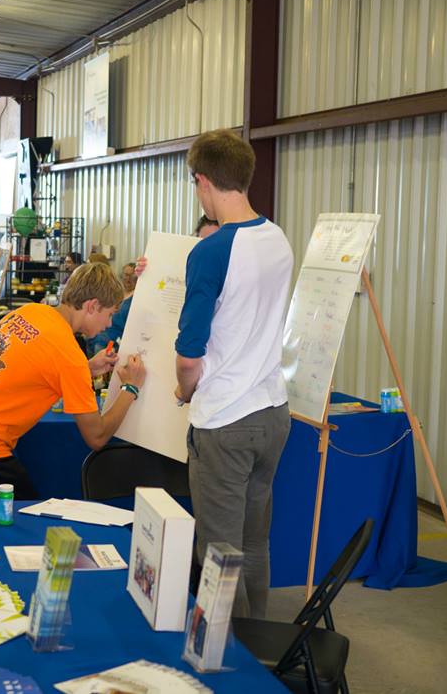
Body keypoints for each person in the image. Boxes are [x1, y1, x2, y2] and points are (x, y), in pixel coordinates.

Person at [175, 129, 294, 619]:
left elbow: (188, 356)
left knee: (219, 554)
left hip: (225, 419)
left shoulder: (210, 252)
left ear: (202, 181)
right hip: (272, 412)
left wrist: (185, 393)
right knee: (253, 541)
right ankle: (258, 637)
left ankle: (234, 659)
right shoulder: (278, 238)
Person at [0, 263, 146, 501]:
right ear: (92, 306)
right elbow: (97, 437)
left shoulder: (29, 312)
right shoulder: (69, 355)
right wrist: (130, 388)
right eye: (111, 314)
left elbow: (29, 367)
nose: (109, 324)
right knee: (16, 521)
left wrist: (88, 368)